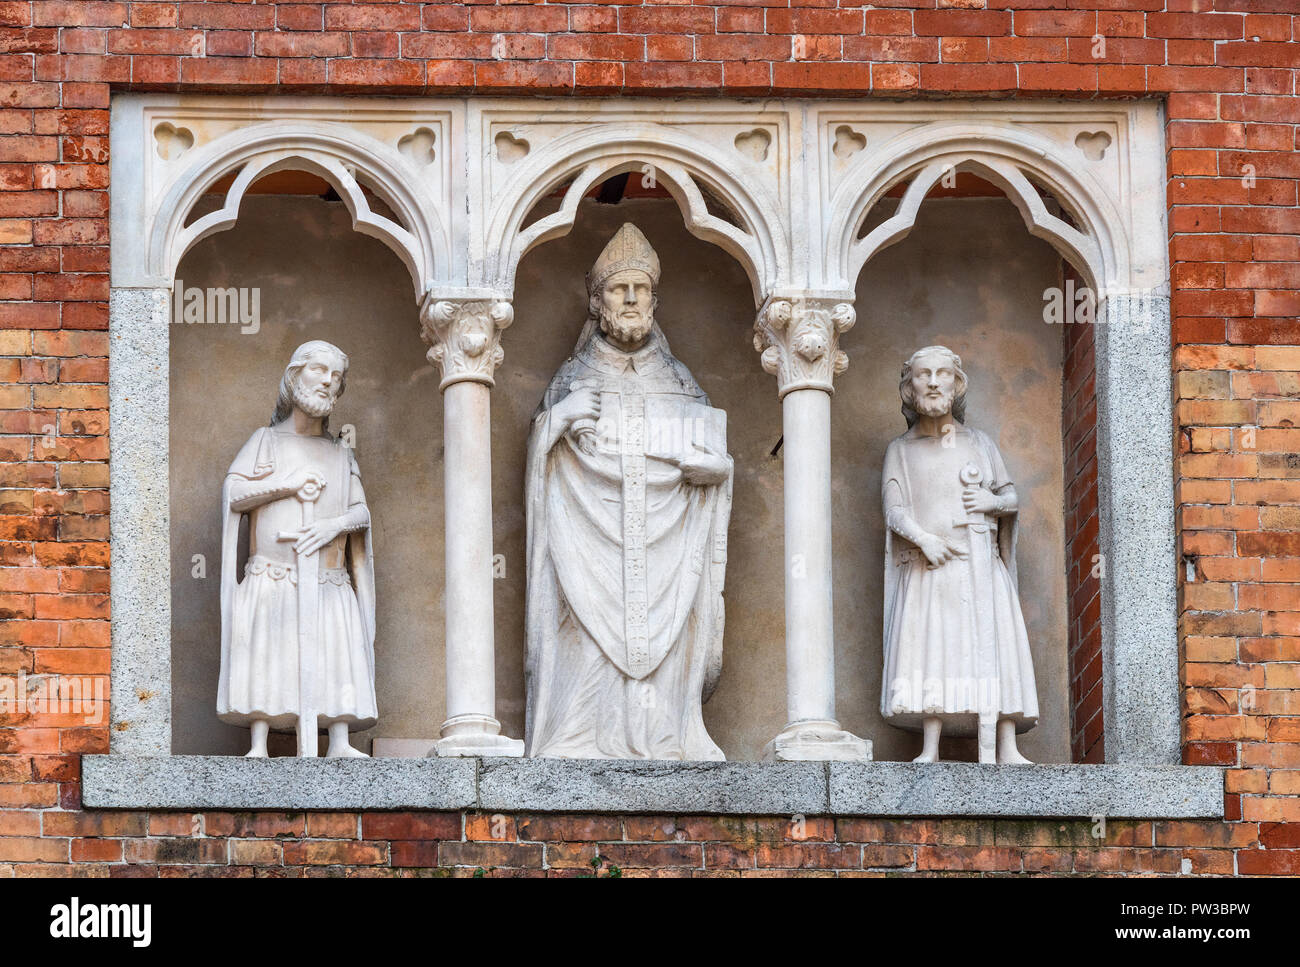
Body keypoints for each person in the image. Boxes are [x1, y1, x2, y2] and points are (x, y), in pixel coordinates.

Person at [524, 223, 732, 759]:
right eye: (620, 290)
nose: (633, 298)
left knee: (666, 633)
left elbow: (711, 455)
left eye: (642, 290)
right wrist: (557, 420)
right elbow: (542, 466)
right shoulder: (572, 379)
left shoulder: (680, 381)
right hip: (588, 540)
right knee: (590, 630)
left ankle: (669, 736)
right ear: (597, 302)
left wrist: (715, 471)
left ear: (656, 300)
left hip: (667, 542)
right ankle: (576, 735)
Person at [218, 340, 377, 757]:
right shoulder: (265, 441)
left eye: (336, 376)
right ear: (294, 376)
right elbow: (234, 493)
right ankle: (260, 739)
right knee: (268, 652)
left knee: (334, 651)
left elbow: (361, 513)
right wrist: (287, 484)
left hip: (327, 580)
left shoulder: (340, 453)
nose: (328, 381)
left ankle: (339, 738)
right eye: (320, 370)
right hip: (272, 575)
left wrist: (330, 527)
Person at [880, 345, 1038, 764]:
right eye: (923, 374)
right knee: (934, 648)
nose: (933, 382)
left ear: (956, 383)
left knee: (994, 646)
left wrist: (991, 502)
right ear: (909, 386)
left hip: (980, 564)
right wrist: (925, 539)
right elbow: (894, 509)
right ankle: (930, 746)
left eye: (942, 374)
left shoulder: (979, 444)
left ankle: (1006, 744)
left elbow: (1010, 498)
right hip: (932, 566)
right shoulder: (901, 450)